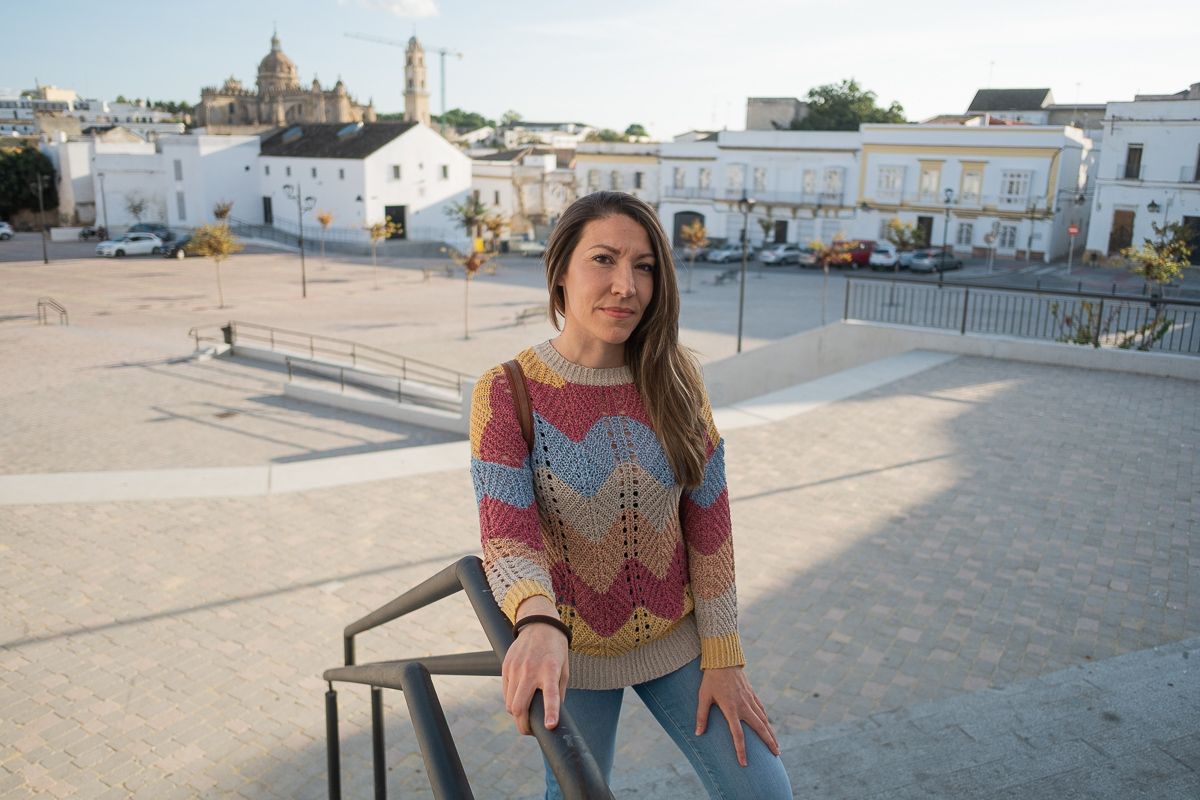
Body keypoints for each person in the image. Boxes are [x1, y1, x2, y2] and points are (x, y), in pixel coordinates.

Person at [469, 191, 792, 799]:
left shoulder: (676, 380)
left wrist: (725, 653)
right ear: (560, 270)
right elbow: (506, 532)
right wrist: (535, 620)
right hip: (573, 655)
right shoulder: (506, 390)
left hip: (681, 643)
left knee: (765, 792)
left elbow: (710, 523)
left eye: (644, 266)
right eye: (603, 259)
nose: (626, 285)